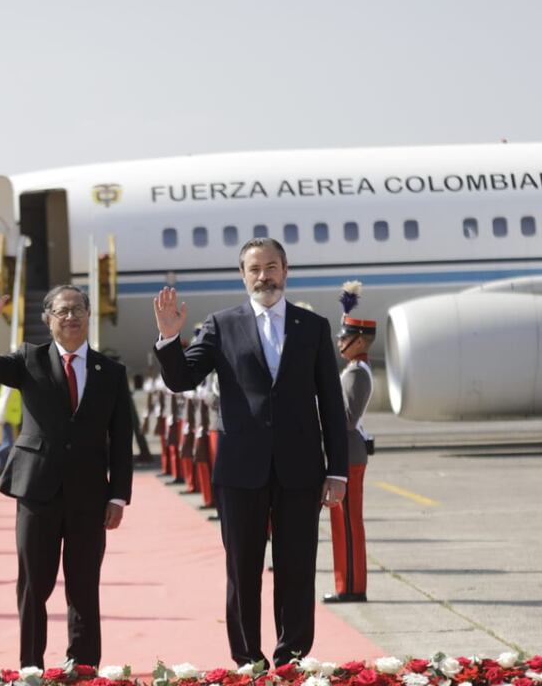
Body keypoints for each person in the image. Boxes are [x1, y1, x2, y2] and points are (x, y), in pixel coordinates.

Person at [152, 237, 348, 667]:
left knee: (297, 568)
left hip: (300, 469)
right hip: (241, 469)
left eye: (272, 267)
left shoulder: (312, 327)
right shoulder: (221, 325)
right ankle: (247, 660)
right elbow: (182, 379)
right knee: (243, 570)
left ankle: (292, 657)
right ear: (242, 276)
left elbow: (332, 403)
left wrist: (337, 470)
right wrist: (169, 338)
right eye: (255, 269)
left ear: (286, 271)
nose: (264, 276)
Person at [0, 275, 134, 668]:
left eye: (77, 309)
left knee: (84, 585)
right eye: (62, 311)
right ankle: (31, 665)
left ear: (89, 315)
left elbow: (120, 439)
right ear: (48, 318)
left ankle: (83, 664)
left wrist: (118, 495)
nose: (71, 317)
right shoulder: (30, 359)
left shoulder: (111, 371)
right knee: (33, 584)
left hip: (89, 495)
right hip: (37, 490)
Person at [324, 281, 375, 604]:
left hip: (349, 453)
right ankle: (346, 584)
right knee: (342, 522)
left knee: (348, 522)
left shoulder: (356, 373)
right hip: (347, 451)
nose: (340, 342)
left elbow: (345, 417)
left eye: (344, 338)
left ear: (360, 341)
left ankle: (353, 587)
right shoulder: (352, 370)